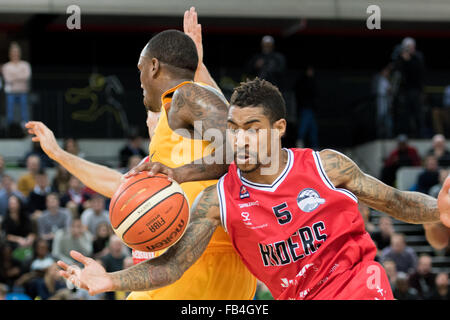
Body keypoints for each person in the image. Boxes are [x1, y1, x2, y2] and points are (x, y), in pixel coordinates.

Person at [57, 78, 449, 300]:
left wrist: (438, 210)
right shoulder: (219, 200)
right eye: (233, 128)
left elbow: (396, 201)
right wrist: (111, 279)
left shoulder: (326, 165)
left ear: (278, 129)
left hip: (359, 288)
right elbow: (171, 265)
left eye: (252, 128)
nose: (239, 139)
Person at [26, 7, 256, 300]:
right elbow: (117, 185)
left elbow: (233, 139)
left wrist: (198, 70)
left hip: (205, 260)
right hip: (177, 267)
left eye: (140, 69)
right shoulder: (163, 158)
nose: (139, 83)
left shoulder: (180, 102)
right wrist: (59, 154)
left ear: (154, 67)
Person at [392, 37, 426, 138]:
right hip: (404, 91)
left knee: (418, 114)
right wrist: (403, 59)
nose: (410, 49)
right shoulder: (401, 57)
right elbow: (397, 68)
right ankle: (405, 133)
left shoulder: (418, 57)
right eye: (408, 47)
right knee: (404, 114)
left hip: (416, 90)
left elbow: (419, 72)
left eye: (411, 46)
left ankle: (420, 134)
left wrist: (409, 60)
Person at [1, 42, 31, 128]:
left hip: (23, 91)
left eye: (16, 52)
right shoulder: (6, 66)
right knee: (10, 112)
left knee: (24, 112)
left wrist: (13, 76)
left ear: (20, 53)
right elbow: (7, 79)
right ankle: (10, 129)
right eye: (13, 52)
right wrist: (19, 76)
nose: (15, 54)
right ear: (10, 54)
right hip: (11, 92)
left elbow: (26, 76)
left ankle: (26, 129)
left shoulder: (25, 65)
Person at [295, 66, 319, 149]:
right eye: (309, 70)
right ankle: (299, 141)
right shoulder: (303, 82)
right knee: (304, 127)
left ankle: (315, 148)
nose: (311, 72)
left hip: (310, 109)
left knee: (313, 129)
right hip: (305, 108)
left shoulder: (312, 81)